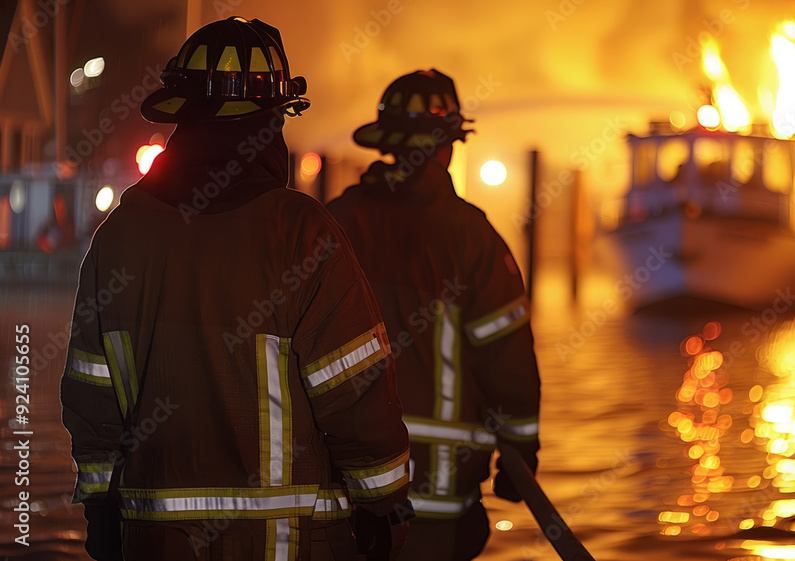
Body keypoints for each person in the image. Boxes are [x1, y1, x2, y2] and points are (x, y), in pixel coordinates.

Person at [60, 17, 411, 560]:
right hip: (285, 543)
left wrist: (101, 507)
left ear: (182, 115)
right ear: (274, 121)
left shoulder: (119, 238)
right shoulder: (302, 232)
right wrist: (384, 500)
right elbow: (353, 387)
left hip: (155, 542)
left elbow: (91, 396)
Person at [325, 69, 541, 561]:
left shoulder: (333, 224)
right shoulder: (473, 238)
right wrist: (519, 456)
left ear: (386, 143)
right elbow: (507, 363)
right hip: (438, 498)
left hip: (341, 491)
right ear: (449, 145)